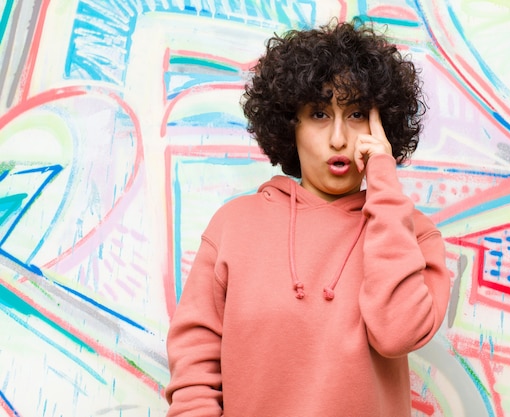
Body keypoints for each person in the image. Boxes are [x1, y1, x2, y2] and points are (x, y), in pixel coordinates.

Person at [165, 18, 450, 417]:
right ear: (289, 123)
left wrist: (383, 179)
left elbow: (397, 332)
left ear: (382, 125)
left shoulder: (413, 235)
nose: (338, 138)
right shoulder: (235, 225)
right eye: (319, 114)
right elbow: (196, 362)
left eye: (356, 115)